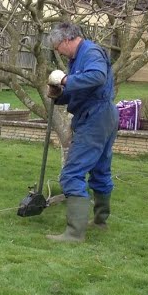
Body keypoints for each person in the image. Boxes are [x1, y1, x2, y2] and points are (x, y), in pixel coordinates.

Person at [44, 22, 117, 242]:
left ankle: (74, 234)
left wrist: (65, 79)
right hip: (102, 116)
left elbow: (97, 77)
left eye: (57, 47)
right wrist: (59, 94)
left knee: (72, 173)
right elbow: (82, 90)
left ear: (66, 40)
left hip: (95, 117)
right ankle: (100, 222)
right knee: (100, 170)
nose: (58, 51)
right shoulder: (77, 58)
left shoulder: (90, 52)